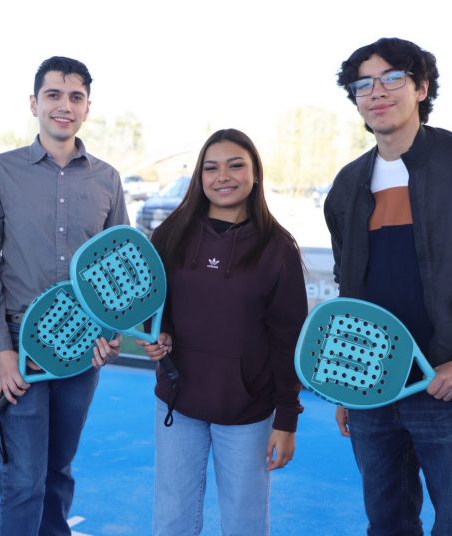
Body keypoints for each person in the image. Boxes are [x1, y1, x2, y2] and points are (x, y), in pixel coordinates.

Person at [0, 56, 128, 535]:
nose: (64, 105)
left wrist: (111, 332)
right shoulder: (1, 171)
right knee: (23, 481)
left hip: (81, 348)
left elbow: (119, 267)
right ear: (34, 103)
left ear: (87, 108)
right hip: (18, 345)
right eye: (53, 94)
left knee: (58, 473)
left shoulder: (107, 178)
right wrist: (1, 352)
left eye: (76, 97)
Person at [326, 37, 452, 535]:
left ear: (422, 88)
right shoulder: (347, 185)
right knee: (387, 523)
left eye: (392, 78)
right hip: (372, 390)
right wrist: (347, 383)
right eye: (363, 84)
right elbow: (350, 290)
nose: (377, 92)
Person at [137, 128, 307, 535]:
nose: (223, 176)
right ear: (199, 177)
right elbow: (153, 307)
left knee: (244, 524)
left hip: (247, 411)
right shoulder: (169, 235)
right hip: (177, 404)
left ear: (255, 173)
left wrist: (287, 419)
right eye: (211, 168)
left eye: (235, 165)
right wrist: (159, 334)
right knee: (171, 522)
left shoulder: (279, 248)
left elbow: (289, 341)